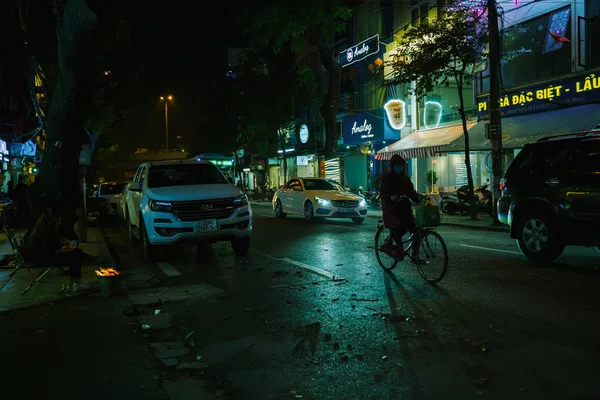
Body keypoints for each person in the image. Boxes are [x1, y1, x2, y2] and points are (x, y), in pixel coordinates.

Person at [21, 202, 92, 292]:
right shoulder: (47, 233)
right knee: (75, 256)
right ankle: (76, 282)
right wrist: (62, 250)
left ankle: (74, 282)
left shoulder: (42, 228)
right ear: (55, 219)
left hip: (40, 257)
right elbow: (49, 251)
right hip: (42, 260)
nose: (60, 222)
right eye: (59, 220)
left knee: (75, 253)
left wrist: (63, 245)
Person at [379, 154, 424, 259]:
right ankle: (391, 242)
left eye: (401, 166)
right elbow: (383, 194)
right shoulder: (386, 179)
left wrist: (418, 197)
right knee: (400, 228)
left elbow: (411, 192)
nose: (399, 168)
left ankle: (415, 255)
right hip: (391, 210)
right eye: (397, 166)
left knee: (416, 230)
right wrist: (391, 197)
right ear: (392, 166)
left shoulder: (405, 179)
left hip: (405, 209)